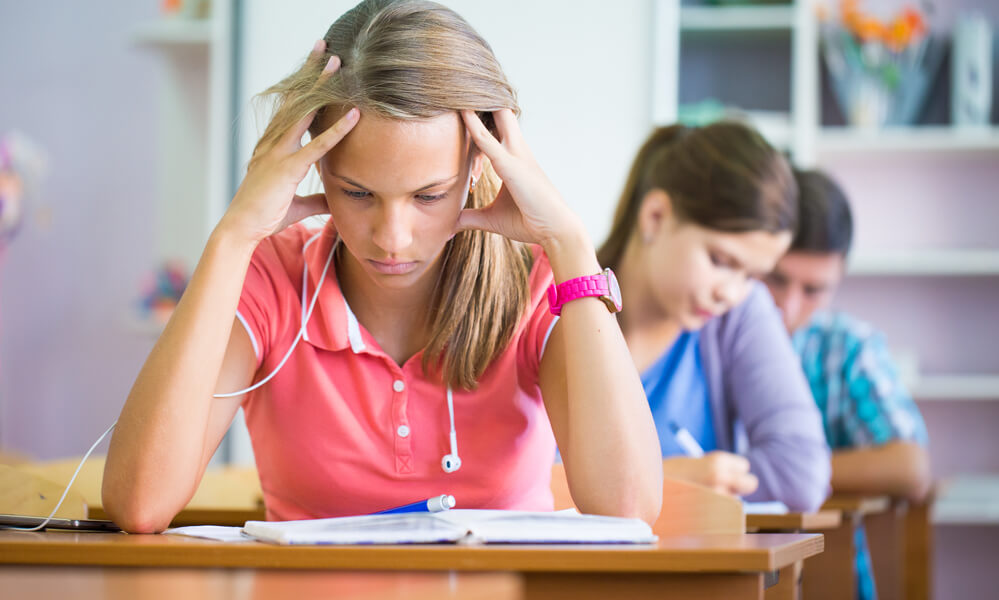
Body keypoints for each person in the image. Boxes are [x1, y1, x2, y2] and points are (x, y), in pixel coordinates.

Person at [102, 0, 662, 533]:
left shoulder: (538, 282)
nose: (392, 239)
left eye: (429, 196)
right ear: (316, 170)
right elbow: (141, 504)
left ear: (478, 165)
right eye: (357, 193)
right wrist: (232, 237)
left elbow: (627, 508)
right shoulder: (272, 277)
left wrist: (569, 243)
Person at [597, 122, 831, 512]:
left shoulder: (738, 313)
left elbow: (802, 473)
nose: (731, 292)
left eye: (752, 276)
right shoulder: (556, 303)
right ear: (655, 216)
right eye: (721, 262)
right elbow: (521, 479)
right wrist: (668, 480)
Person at [763, 168, 930, 600]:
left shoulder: (846, 347)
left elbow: (911, 467)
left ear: (839, 281)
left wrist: (786, 472)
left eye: (814, 289)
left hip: (827, 578)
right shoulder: (709, 330)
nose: (789, 306)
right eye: (777, 278)